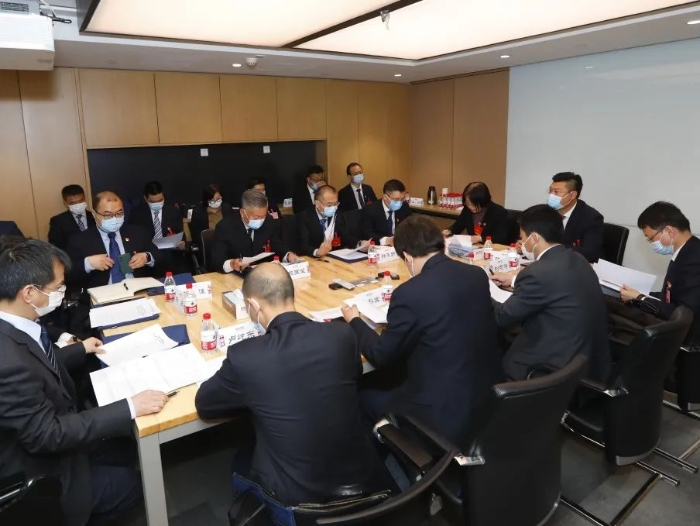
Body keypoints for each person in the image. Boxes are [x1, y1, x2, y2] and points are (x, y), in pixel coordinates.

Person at [0, 238, 169, 526]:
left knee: (127, 447)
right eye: (58, 288)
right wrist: (130, 406)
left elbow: (38, 361)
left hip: (58, 426)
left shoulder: (16, 324)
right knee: (136, 485)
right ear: (28, 293)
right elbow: (48, 435)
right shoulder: (7, 361)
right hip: (44, 471)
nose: (62, 293)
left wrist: (80, 349)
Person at [196, 263, 388, 505]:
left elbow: (205, 405)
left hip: (296, 501)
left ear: (253, 305)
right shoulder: (342, 335)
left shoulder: (245, 356)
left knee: (241, 458)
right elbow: (353, 375)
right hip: (361, 479)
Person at [341, 216, 505, 447]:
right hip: (489, 393)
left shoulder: (410, 293)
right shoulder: (475, 274)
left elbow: (380, 355)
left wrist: (355, 321)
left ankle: (390, 462)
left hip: (442, 410)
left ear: (407, 256)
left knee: (362, 393)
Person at [490, 205, 611, 382]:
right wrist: (514, 280)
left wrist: (482, 289)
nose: (521, 242)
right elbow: (554, 286)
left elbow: (501, 317)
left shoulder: (538, 272)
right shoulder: (577, 259)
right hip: (586, 358)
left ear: (534, 238)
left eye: (522, 237)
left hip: (555, 366)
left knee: (493, 349)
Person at [620, 202, 700, 347]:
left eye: (650, 238)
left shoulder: (694, 260)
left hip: (687, 341)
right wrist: (640, 294)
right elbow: (670, 296)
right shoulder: (687, 251)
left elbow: (685, 314)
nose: (651, 243)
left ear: (669, 231)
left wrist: (640, 298)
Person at [66, 191, 161, 289]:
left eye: (119, 213)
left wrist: (147, 257)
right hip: (102, 292)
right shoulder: (80, 240)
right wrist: (88, 263)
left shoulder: (137, 232)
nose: (115, 219)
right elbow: (69, 274)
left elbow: (158, 254)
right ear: (94, 214)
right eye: (108, 215)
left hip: (137, 289)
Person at [211, 190, 300, 273]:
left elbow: (276, 244)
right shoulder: (225, 227)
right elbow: (217, 261)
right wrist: (232, 264)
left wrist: (287, 255)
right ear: (242, 212)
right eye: (256, 217)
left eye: (263, 216)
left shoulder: (268, 221)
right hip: (236, 275)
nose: (260, 220)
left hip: (263, 273)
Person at [546, 172, 604, 263]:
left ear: (572, 195)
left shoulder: (591, 218)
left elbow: (590, 253)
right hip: (548, 262)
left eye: (557, 192)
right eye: (550, 191)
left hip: (574, 265)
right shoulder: (545, 211)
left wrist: (551, 248)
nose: (551, 195)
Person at [297, 185, 367, 257]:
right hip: (313, 258)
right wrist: (317, 252)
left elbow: (344, 236)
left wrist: (359, 244)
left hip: (334, 257)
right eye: (329, 205)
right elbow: (303, 245)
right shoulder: (304, 217)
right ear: (317, 204)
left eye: (335, 204)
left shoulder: (338, 215)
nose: (333, 208)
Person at [442, 182, 509, 245]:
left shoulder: (498, 212)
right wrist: (449, 231)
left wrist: (480, 238)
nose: (470, 207)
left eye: (473, 204)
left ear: (482, 201)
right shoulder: (467, 210)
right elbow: (458, 226)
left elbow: (500, 237)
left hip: (492, 249)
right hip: (474, 248)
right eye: (467, 204)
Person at [128, 180, 185, 249]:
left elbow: (180, 234)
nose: (157, 204)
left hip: (170, 251)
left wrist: (181, 243)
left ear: (163, 196)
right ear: (145, 198)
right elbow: (133, 237)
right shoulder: (136, 213)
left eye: (160, 200)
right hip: (147, 252)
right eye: (153, 202)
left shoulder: (174, 211)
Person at [361, 179, 412, 246]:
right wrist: (386, 240)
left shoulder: (404, 207)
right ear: (385, 197)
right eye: (396, 199)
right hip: (380, 247)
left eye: (402, 199)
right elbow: (367, 234)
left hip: (399, 245)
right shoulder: (370, 210)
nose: (400, 202)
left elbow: (410, 228)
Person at [48, 184, 96, 250]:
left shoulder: (95, 216)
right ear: (65, 203)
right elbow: (54, 246)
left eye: (80, 201)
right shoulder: (58, 221)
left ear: (84, 198)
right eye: (73, 203)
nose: (78, 205)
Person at [189, 183, 234, 249]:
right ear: (208, 200)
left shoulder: (227, 208)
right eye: (215, 199)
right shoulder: (198, 212)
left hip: (227, 245)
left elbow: (234, 227)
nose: (218, 200)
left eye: (219, 198)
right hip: (208, 246)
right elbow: (195, 235)